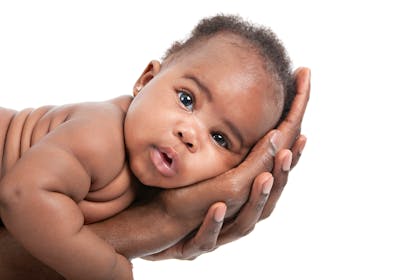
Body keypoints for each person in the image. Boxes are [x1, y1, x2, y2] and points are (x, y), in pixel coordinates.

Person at [0, 14, 309, 279]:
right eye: (186, 100)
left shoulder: (150, 180)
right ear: (146, 80)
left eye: (220, 138)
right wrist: (108, 269)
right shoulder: (99, 136)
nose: (190, 135)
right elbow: (21, 196)